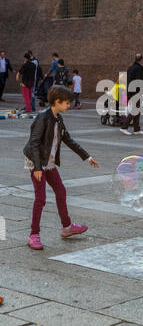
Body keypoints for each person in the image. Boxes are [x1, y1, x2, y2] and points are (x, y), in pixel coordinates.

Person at [23, 85, 99, 250]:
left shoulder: (58, 118)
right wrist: (37, 167)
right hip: (37, 162)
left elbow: (68, 140)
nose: (69, 106)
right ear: (57, 102)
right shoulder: (42, 118)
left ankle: (67, 227)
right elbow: (34, 143)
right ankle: (33, 234)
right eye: (67, 103)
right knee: (41, 198)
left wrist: (87, 157)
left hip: (48, 163)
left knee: (60, 191)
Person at [120, 53, 143, 136]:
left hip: (131, 91)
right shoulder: (139, 68)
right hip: (136, 92)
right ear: (142, 60)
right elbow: (139, 81)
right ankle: (124, 127)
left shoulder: (130, 68)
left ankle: (136, 129)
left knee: (137, 110)